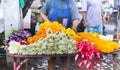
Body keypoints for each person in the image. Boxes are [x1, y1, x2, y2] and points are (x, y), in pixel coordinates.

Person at [40, 0, 80, 70]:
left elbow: (76, 18)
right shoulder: (50, 1)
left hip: (65, 34)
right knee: (51, 56)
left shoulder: (71, 3)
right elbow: (42, 13)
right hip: (52, 34)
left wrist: (74, 26)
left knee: (65, 56)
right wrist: (48, 22)